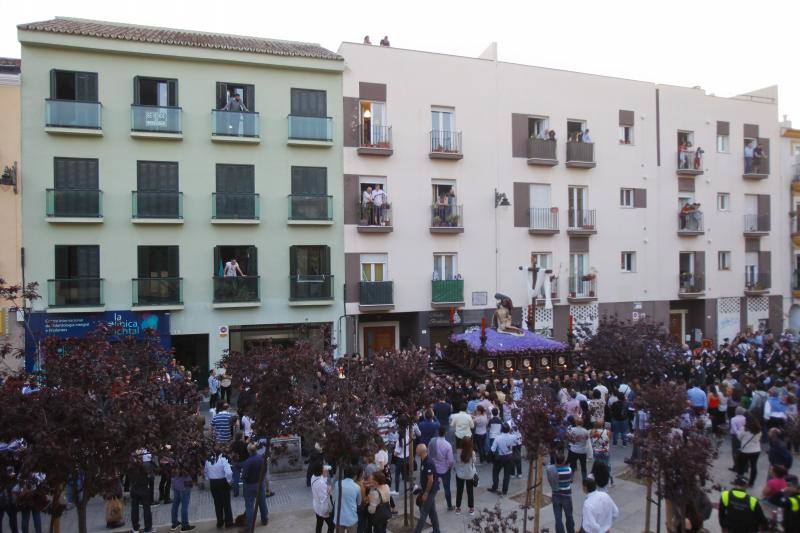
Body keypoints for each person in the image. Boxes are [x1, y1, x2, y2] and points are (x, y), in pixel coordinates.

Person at [414, 444, 441, 533]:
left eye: (417, 450)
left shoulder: (428, 462)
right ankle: (436, 530)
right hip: (427, 489)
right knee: (432, 511)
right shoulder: (423, 460)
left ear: (420, 452)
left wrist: (426, 493)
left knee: (424, 512)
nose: (415, 451)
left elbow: (430, 480)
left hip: (430, 491)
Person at [205, 447, 234, 529]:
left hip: (213, 483)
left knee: (217, 503)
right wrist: (229, 481)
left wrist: (208, 478)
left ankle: (220, 521)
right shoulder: (223, 459)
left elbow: (206, 471)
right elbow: (229, 472)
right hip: (222, 482)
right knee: (226, 503)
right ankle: (228, 522)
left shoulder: (208, 460)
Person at [547, 450, 575, 533]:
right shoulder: (569, 470)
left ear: (555, 460)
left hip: (556, 495)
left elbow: (549, 476)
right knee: (569, 515)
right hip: (566, 495)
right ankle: (570, 530)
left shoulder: (551, 470)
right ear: (564, 461)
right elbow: (571, 480)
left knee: (558, 517)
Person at [241, 443, 268, 527]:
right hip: (260, 483)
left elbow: (244, 475)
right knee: (262, 502)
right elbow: (265, 470)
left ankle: (250, 524)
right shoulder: (261, 459)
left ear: (249, 451)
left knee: (249, 505)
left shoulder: (248, 462)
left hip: (249, 485)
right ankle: (264, 519)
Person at [128, 450, 155, 533]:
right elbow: (151, 477)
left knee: (134, 509)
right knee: (146, 509)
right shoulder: (144, 466)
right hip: (143, 489)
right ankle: (148, 528)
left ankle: (135, 528)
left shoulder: (130, 467)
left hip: (134, 488)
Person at [429, 426, 454, 511]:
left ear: (437, 432)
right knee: (447, 488)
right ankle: (449, 505)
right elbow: (450, 461)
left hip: (434, 469)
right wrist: (449, 467)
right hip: (445, 470)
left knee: (433, 488)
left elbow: (429, 453)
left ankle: (430, 505)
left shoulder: (432, 441)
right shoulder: (448, 445)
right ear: (445, 433)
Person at [488, 423, 516, 495]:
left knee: (495, 473)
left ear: (501, 429)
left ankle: (495, 487)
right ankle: (504, 490)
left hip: (500, 457)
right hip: (509, 457)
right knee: (507, 475)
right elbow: (516, 443)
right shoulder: (513, 437)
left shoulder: (498, 438)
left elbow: (493, 449)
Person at [735, 413, 761, 487]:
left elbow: (739, 437)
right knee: (754, 466)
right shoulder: (759, 429)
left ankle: (740, 481)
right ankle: (751, 483)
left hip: (746, 450)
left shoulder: (744, 429)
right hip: (756, 450)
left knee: (742, 466)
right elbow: (758, 439)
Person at [332, 465, 361, 532]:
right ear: (355, 476)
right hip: (351, 518)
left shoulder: (337, 484)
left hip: (339, 518)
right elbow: (359, 502)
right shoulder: (357, 487)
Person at [453, 437, 476, 516]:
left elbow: (456, 462)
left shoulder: (458, 452)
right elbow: (474, 461)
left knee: (459, 491)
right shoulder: (472, 453)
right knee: (470, 492)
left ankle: (458, 508)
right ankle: (471, 508)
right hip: (469, 474)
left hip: (460, 474)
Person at [170, 464, 196, 532]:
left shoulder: (175, 460)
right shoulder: (184, 461)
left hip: (176, 484)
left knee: (175, 505)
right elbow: (188, 472)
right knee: (184, 506)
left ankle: (174, 523)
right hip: (185, 485)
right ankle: (185, 525)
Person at [311, 463, 333, 533]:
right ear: (321, 471)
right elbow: (324, 499)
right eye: (323, 468)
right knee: (332, 525)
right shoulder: (321, 484)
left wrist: (326, 472)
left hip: (316, 506)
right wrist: (329, 490)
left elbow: (328, 468)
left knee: (319, 523)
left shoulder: (313, 476)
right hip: (323, 508)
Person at [566, 418, 590, 482]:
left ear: (576, 423)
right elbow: (587, 438)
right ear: (582, 423)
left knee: (572, 465)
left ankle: (571, 478)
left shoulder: (572, 429)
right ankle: (584, 479)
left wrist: (572, 439)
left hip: (573, 450)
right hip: (582, 451)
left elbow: (567, 436)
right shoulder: (585, 431)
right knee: (583, 466)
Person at [589, 421, 612, 486]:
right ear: (603, 425)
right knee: (606, 465)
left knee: (596, 465)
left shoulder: (593, 431)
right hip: (605, 452)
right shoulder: (608, 432)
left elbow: (590, 437)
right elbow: (609, 439)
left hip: (596, 451)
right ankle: (608, 480)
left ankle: (596, 479)